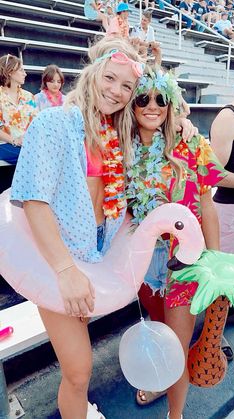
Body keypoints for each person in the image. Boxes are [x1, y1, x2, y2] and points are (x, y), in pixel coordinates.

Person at [9, 37, 144, 419]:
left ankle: (78, 408)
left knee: (77, 365)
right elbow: (34, 199)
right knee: (79, 368)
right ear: (92, 73)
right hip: (57, 260)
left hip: (96, 257)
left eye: (126, 86)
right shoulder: (53, 122)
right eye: (110, 78)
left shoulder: (120, 134)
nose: (116, 91)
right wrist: (65, 270)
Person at [126, 65, 230, 419]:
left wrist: (212, 263)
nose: (152, 106)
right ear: (132, 104)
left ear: (171, 104)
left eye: (160, 98)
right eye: (143, 98)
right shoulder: (120, 149)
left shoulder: (191, 143)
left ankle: (176, 414)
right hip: (142, 262)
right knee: (157, 335)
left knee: (176, 345)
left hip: (184, 263)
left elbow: (206, 203)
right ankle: (160, 379)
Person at [210, 101, 234, 361]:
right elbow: (213, 174)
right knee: (221, 278)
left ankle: (229, 314)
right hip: (229, 212)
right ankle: (214, 336)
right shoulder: (228, 117)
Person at [0, 54, 37, 165]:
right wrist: (15, 141)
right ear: (10, 72)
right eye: (21, 70)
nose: (25, 74)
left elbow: (35, 123)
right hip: (4, 144)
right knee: (31, 156)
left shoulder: (29, 96)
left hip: (26, 145)